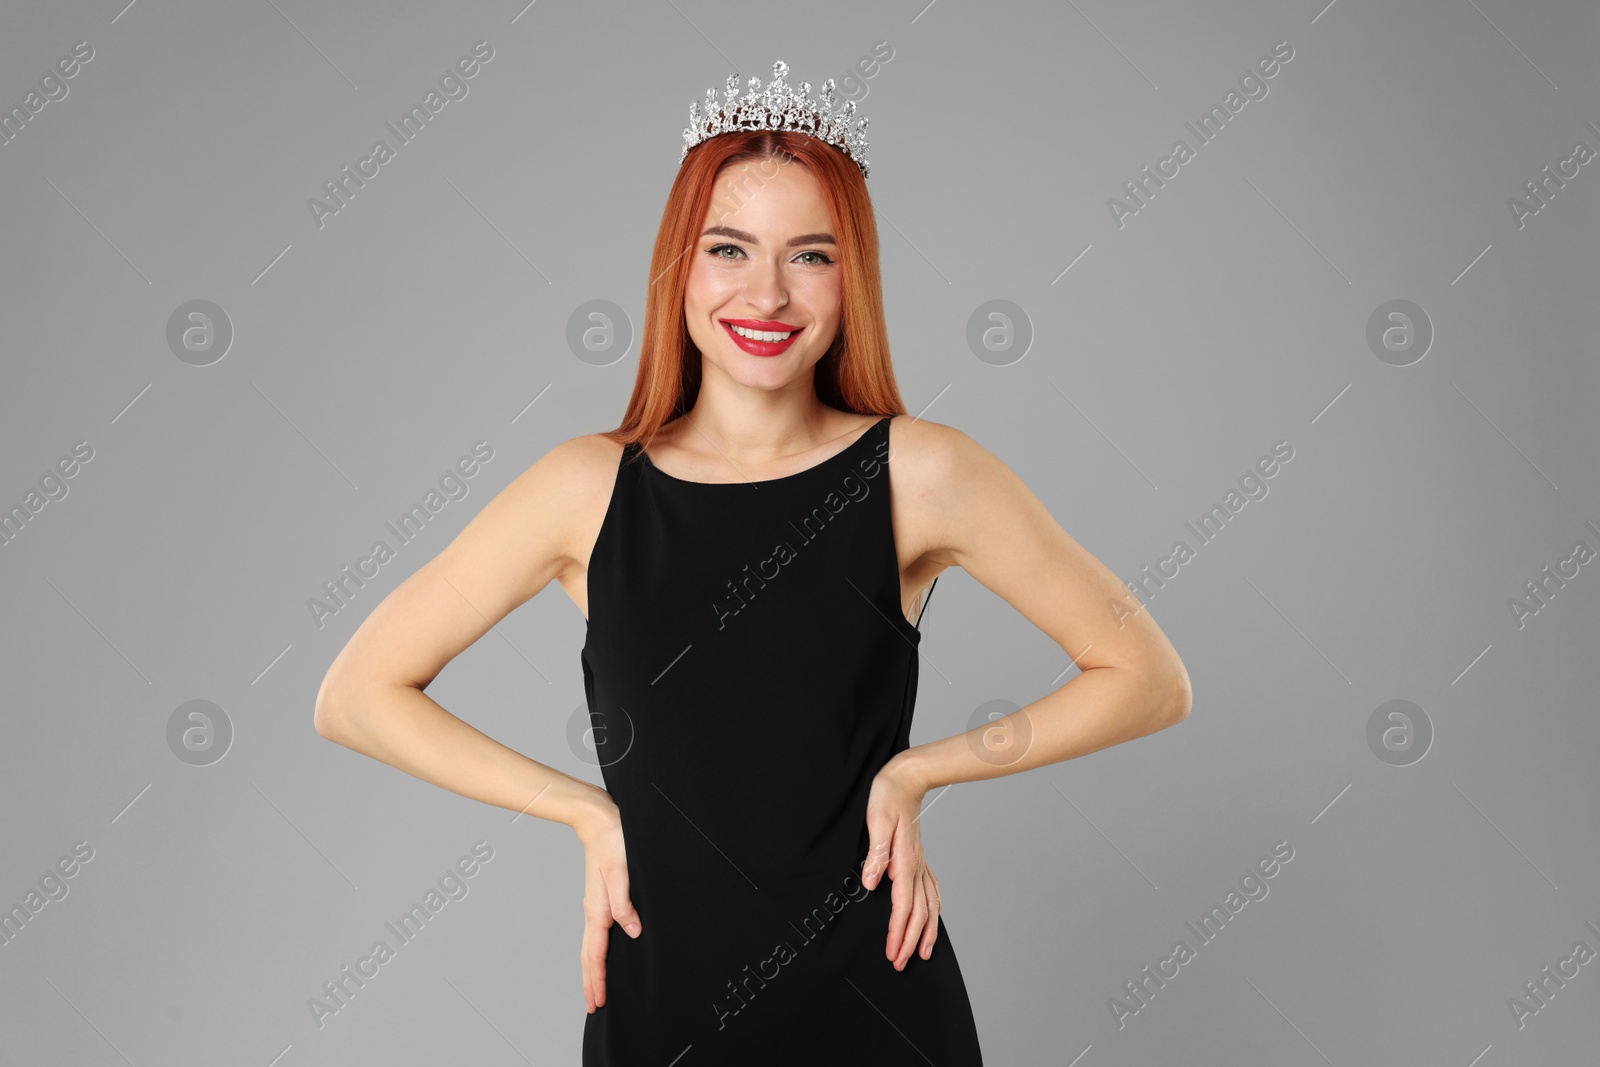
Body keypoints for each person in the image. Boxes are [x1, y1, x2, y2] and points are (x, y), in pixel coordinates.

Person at [314, 60, 1191, 1065]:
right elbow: (356, 694)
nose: (766, 291)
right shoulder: (586, 488)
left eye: (809, 255)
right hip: (661, 1008)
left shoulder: (921, 472)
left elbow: (1148, 677)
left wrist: (918, 772)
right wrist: (580, 810)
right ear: (679, 265)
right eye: (729, 248)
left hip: (877, 1006)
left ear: (849, 275)